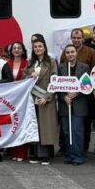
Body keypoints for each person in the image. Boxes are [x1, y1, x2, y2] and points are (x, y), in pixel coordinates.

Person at [24, 35, 58, 165]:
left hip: (46, 98)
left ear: (44, 48)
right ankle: (35, 153)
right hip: (33, 98)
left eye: (40, 46)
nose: (38, 48)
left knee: (45, 127)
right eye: (35, 47)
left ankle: (45, 155)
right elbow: (23, 78)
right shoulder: (30, 62)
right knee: (35, 126)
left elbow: (55, 80)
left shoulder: (51, 62)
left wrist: (47, 97)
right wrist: (29, 76)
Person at [57, 44, 90, 165]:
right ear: (65, 54)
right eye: (67, 52)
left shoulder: (84, 67)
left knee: (77, 131)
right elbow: (56, 86)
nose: (70, 54)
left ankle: (78, 156)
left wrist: (77, 93)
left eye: (72, 52)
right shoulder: (60, 68)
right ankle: (69, 155)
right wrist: (64, 97)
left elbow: (87, 85)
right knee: (66, 131)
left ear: (76, 53)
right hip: (65, 104)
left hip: (79, 104)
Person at [1, 41, 30, 161]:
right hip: (11, 99)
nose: (16, 50)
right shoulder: (7, 64)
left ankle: (22, 153)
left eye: (19, 48)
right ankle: (13, 152)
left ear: (23, 50)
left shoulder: (28, 63)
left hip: (23, 98)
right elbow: (4, 80)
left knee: (22, 124)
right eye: (14, 48)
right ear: (11, 51)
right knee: (13, 125)